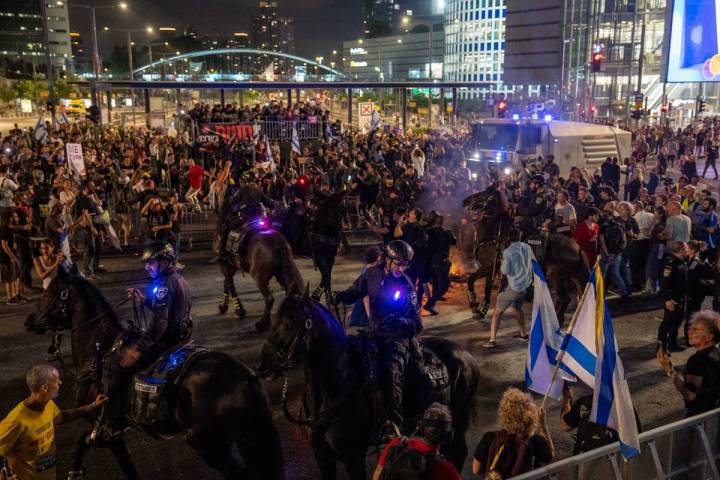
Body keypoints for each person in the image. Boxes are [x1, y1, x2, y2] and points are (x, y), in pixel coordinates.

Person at [99, 240, 192, 440]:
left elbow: (159, 324)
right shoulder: (177, 279)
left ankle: (114, 423)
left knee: (117, 368)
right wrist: (145, 301)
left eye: (151, 262)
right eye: (146, 263)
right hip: (181, 335)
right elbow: (166, 311)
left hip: (167, 339)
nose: (147, 267)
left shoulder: (164, 286)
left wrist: (137, 349)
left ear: (165, 261)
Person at [333, 240, 421, 436]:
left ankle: (394, 425)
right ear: (387, 260)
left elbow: (417, 323)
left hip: (395, 340)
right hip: (372, 332)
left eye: (404, 264)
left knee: (390, 374)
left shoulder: (406, 286)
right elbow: (355, 291)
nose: (401, 268)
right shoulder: (371, 274)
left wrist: (399, 323)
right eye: (398, 263)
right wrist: (339, 296)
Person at [0, 365, 106, 480]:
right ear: (45, 388)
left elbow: (63, 417)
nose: (60, 382)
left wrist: (93, 405)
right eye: (57, 380)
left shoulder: (48, 405)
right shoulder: (15, 421)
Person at [472, 388, 554, 478]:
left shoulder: (490, 438)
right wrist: (543, 424)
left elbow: (476, 470)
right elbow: (550, 456)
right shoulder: (534, 442)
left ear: (504, 414)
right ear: (530, 417)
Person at [372, 403, 461, 480]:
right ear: (448, 437)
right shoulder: (447, 471)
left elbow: (378, 473)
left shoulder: (397, 444)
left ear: (421, 429)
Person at [657, 310, 720, 417]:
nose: (688, 332)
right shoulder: (717, 353)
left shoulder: (698, 360)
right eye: (690, 329)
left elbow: (690, 395)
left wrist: (670, 370)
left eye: (695, 330)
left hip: (699, 419)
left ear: (709, 337)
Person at [483, 229, 533, 348]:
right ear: (520, 236)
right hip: (524, 286)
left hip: (514, 287)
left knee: (497, 313)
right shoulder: (527, 247)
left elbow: (505, 271)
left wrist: (502, 260)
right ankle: (523, 335)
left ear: (509, 238)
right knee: (516, 308)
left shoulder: (508, 251)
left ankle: (492, 340)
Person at [560, 384, 640, 454]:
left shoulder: (584, 402)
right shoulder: (626, 406)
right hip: (613, 462)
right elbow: (637, 436)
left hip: (584, 464)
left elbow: (565, 426)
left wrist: (567, 399)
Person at [658, 241, 689, 352]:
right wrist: (667, 300)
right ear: (681, 250)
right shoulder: (670, 264)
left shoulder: (682, 261)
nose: (688, 249)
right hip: (672, 299)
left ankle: (672, 343)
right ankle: (661, 347)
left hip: (680, 297)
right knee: (667, 323)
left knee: (677, 321)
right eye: (686, 247)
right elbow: (664, 283)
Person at [0, 211, 23, 305]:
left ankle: (15, 295)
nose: (18, 218)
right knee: (9, 279)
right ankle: (10, 298)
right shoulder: (4, 229)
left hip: (12, 256)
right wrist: (12, 256)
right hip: (5, 258)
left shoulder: (11, 229)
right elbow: (4, 244)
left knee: (14, 277)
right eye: (15, 217)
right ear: (9, 218)